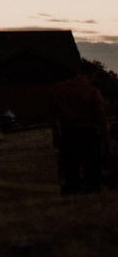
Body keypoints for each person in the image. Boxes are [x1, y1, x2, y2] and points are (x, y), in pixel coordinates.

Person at [50, 61, 109, 194]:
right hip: (89, 135)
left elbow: (52, 118)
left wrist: (56, 137)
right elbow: (101, 119)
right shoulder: (93, 92)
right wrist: (107, 144)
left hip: (68, 134)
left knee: (71, 173)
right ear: (92, 75)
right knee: (92, 174)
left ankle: (71, 202)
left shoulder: (57, 89)